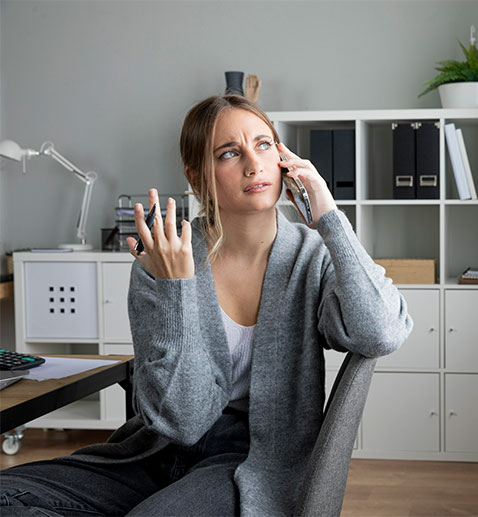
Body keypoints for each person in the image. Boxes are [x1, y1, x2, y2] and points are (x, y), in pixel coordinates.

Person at [0, 95, 413, 516]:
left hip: (253, 458)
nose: (254, 164)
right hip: (154, 450)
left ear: (284, 158)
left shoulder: (312, 258)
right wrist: (176, 285)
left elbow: (381, 331)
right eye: (230, 153)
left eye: (264, 144)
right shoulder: (163, 261)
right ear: (198, 176)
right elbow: (183, 421)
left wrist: (327, 213)